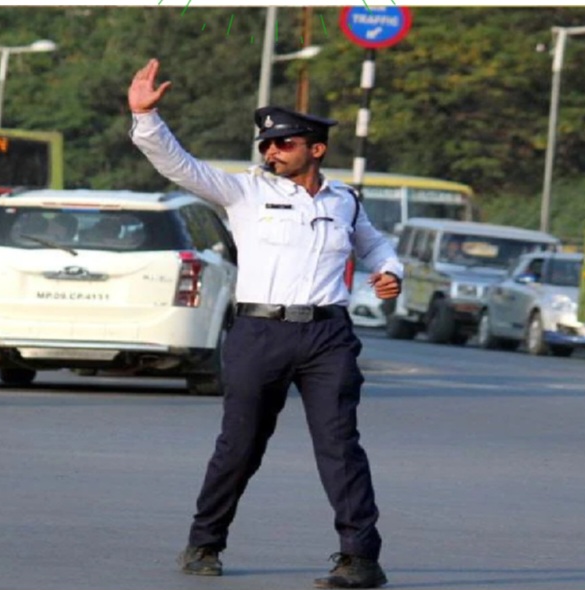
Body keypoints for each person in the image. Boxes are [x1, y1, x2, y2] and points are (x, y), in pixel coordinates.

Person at [128, 58, 402, 589]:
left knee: (341, 446)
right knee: (241, 445)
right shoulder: (245, 193)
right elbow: (180, 166)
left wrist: (389, 272)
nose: (270, 152)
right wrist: (146, 119)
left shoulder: (345, 200)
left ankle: (360, 557)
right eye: (266, 146)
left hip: (328, 335)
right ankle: (205, 541)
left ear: (315, 149)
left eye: (283, 144)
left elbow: (376, 246)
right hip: (260, 334)